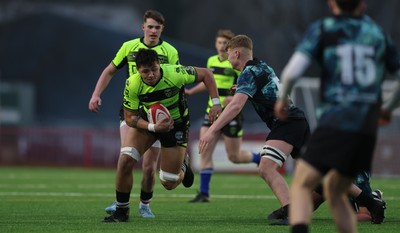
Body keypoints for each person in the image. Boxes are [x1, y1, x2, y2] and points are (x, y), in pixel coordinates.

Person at [274, 0, 400, 232]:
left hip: (335, 120)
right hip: (366, 129)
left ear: (332, 4)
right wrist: (388, 108)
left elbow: (292, 70)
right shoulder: (376, 33)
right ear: (361, 5)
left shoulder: (325, 28)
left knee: (302, 184)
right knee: (334, 189)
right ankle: (370, 202)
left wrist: (282, 99)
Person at [198, 34, 310, 225]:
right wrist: (240, 89)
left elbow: (235, 107)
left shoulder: (247, 73)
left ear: (236, 53)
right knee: (318, 174)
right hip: (296, 120)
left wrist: (211, 130)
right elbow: (261, 90)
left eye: (229, 55)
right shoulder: (262, 66)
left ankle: (291, 212)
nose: (227, 59)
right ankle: (369, 201)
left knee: (266, 167)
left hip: (287, 123)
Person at [103, 48, 222, 222]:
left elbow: (206, 75)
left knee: (169, 182)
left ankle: (183, 165)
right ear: (138, 70)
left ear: (159, 65)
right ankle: (121, 212)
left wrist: (216, 103)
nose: (151, 74)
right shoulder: (132, 83)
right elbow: (130, 118)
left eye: (154, 69)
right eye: (145, 71)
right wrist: (153, 126)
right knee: (125, 159)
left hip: (177, 125)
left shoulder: (175, 73)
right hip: (148, 123)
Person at [88, 10, 179, 218]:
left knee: (148, 168)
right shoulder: (129, 47)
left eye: (157, 27)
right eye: (150, 26)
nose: (154, 30)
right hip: (132, 110)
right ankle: (122, 202)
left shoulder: (171, 51)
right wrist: (95, 94)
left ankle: (145, 204)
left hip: (156, 113)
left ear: (162, 29)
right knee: (126, 157)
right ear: (143, 27)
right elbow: (110, 70)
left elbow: (174, 80)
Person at [185, 30, 261, 203]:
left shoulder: (235, 63)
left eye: (224, 44)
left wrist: (232, 99)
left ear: (231, 48)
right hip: (212, 111)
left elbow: (244, 88)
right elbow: (208, 84)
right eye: (218, 42)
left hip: (231, 114)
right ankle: (204, 193)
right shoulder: (211, 61)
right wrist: (190, 91)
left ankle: (259, 158)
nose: (221, 46)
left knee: (234, 157)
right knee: (204, 150)